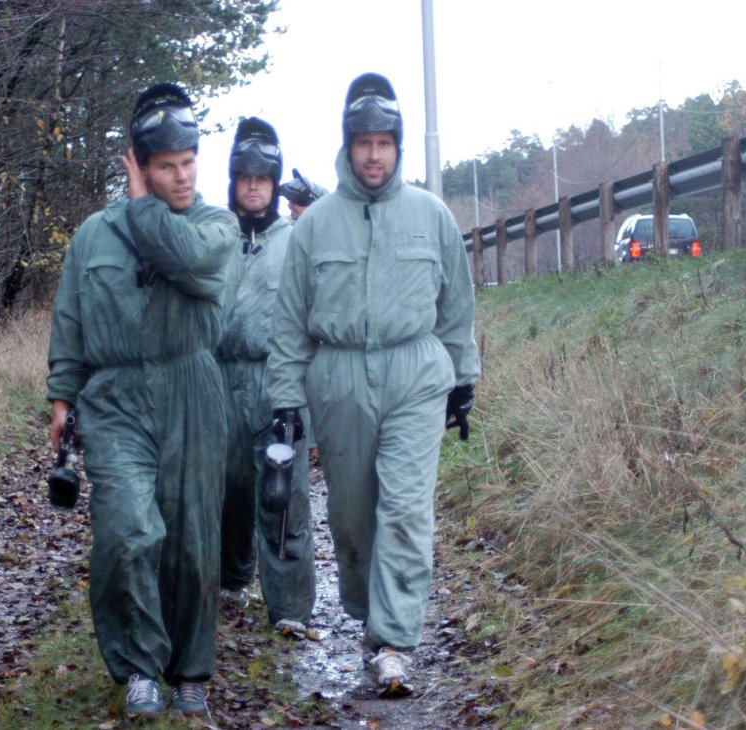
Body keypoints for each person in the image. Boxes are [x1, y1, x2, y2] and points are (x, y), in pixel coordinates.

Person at [266, 72, 480, 699]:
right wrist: (285, 400)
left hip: (415, 372)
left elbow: (457, 306)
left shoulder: (431, 216)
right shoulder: (314, 226)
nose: (374, 155)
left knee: (406, 510)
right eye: (364, 143)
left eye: (384, 143)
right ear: (348, 145)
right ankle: (367, 612)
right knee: (353, 515)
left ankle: (393, 643)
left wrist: (462, 379)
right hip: (338, 377)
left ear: (398, 147)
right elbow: (289, 323)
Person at [45, 82, 236, 720]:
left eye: (189, 162)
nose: (183, 176)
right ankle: (139, 667)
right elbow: (70, 320)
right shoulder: (92, 237)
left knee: (191, 539)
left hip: (191, 388)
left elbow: (186, 256)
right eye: (166, 166)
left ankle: (189, 671)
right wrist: (62, 396)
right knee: (127, 531)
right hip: (115, 398)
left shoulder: (214, 226)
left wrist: (142, 210)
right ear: (138, 165)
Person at [215, 117, 316, 629]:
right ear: (233, 181)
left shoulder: (297, 240)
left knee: (283, 498)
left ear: (275, 185)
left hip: (279, 383)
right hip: (218, 380)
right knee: (227, 492)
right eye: (245, 178)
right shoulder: (213, 236)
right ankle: (231, 580)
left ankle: (290, 609)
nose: (253, 187)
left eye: (262, 179)